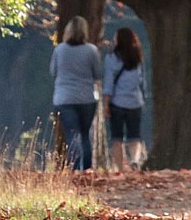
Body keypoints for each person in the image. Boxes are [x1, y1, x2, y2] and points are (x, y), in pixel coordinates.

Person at [51, 18, 104, 171]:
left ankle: (75, 168)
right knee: (85, 135)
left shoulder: (60, 50)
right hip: (87, 98)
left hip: (64, 98)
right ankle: (87, 169)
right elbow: (98, 73)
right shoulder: (91, 50)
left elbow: (53, 71)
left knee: (72, 135)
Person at [104, 27, 148, 172]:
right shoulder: (138, 57)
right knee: (134, 136)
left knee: (117, 138)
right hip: (135, 102)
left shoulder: (111, 58)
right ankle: (135, 160)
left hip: (117, 102)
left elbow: (109, 83)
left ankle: (120, 169)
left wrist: (106, 103)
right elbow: (142, 81)